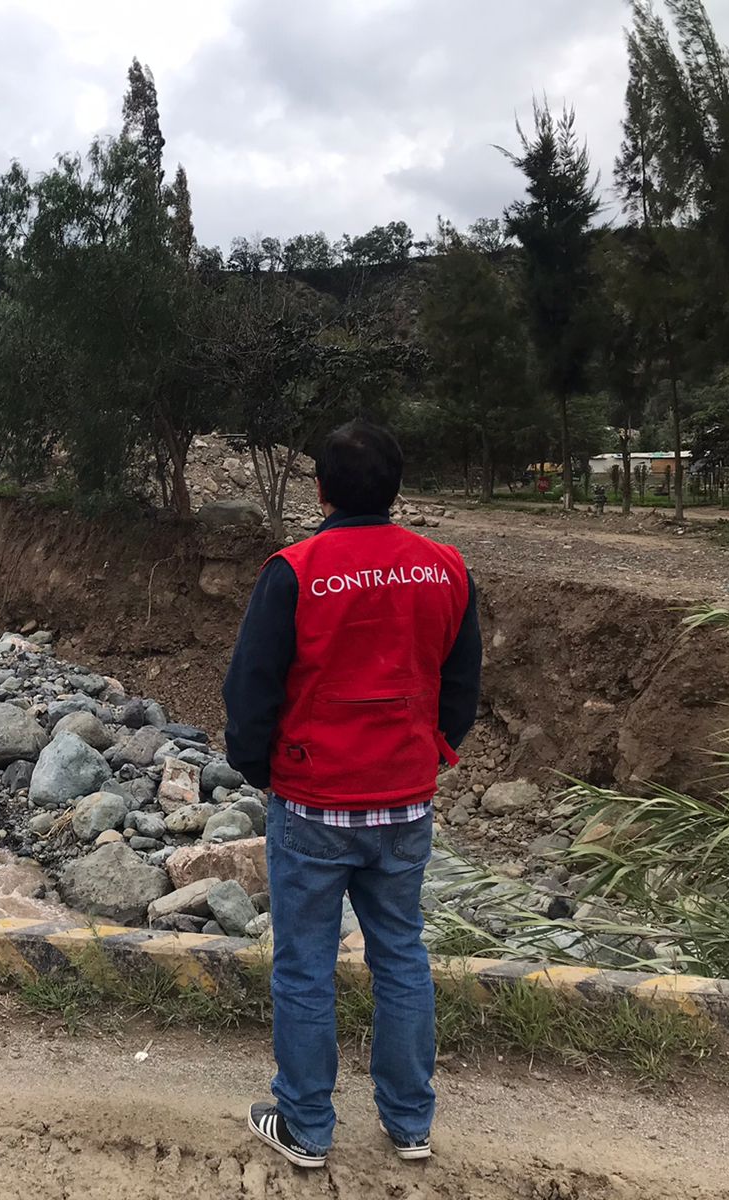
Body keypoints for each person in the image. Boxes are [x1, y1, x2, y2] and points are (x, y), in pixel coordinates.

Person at [223, 420, 482, 1170]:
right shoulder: (446, 568)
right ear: (397, 488)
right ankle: (410, 1124)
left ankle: (305, 1125)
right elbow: (461, 683)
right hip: (405, 798)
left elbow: (252, 686)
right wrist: (436, 750)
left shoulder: (295, 570)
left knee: (304, 962)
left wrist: (258, 767)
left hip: (312, 801)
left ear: (320, 490)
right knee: (401, 953)